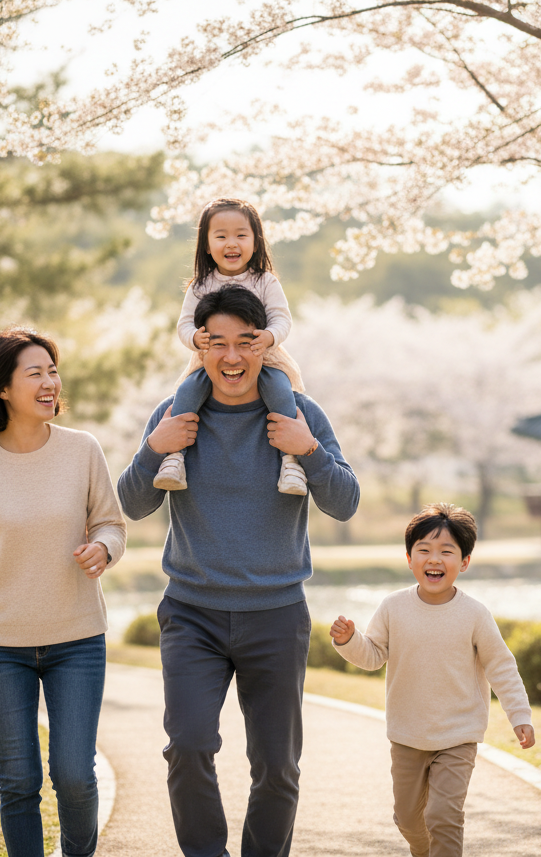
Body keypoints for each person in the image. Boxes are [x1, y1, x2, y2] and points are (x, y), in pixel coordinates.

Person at [117, 284, 360, 857]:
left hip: (276, 616)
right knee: (188, 746)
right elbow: (132, 504)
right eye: (217, 343)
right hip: (192, 615)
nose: (231, 357)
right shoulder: (176, 414)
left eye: (245, 342)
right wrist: (155, 448)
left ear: (264, 346)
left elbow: (346, 502)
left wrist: (308, 450)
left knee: (277, 765)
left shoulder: (300, 413)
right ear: (199, 346)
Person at [0, 327, 126, 857]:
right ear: (3, 388)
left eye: (53, 371)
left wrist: (104, 548)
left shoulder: (83, 450)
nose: (50, 382)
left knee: (74, 775)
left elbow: (111, 523)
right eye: (35, 373)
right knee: (18, 781)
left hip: (77, 640)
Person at [329, 503, 535, 857]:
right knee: (409, 820)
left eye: (446, 551)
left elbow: (501, 667)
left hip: (458, 736)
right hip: (407, 735)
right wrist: (349, 640)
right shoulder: (393, 607)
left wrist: (520, 715)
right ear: (410, 559)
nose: (434, 559)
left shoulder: (475, 614)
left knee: (443, 815)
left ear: (464, 562)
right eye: (424, 550)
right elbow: (373, 656)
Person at [153, 196, 309, 496]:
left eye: (241, 235)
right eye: (221, 236)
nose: (231, 243)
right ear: (206, 245)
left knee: (280, 392)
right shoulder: (200, 285)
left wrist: (270, 336)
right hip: (209, 358)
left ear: (256, 241)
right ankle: (174, 458)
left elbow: (282, 318)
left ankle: (291, 461)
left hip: (265, 356)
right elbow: (184, 324)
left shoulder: (265, 281)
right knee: (187, 392)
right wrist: (194, 338)